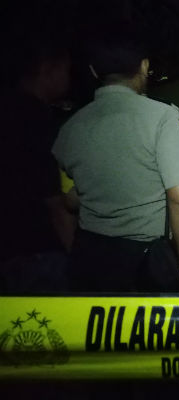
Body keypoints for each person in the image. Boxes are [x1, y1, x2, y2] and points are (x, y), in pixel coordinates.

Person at [52, 24, 179, 292]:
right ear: (144, 66)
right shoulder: (161, 117)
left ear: (93, 71)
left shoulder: (69, 128)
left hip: (90, 260)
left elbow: (68, 199)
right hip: (145, 262)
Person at [0, 31, 75, 292]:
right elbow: (53, 199)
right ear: (47, 69)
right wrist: (75, 256)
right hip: (39, 251)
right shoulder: (36, 119)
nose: (68, 77)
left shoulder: (8, 109)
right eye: (65, 69)